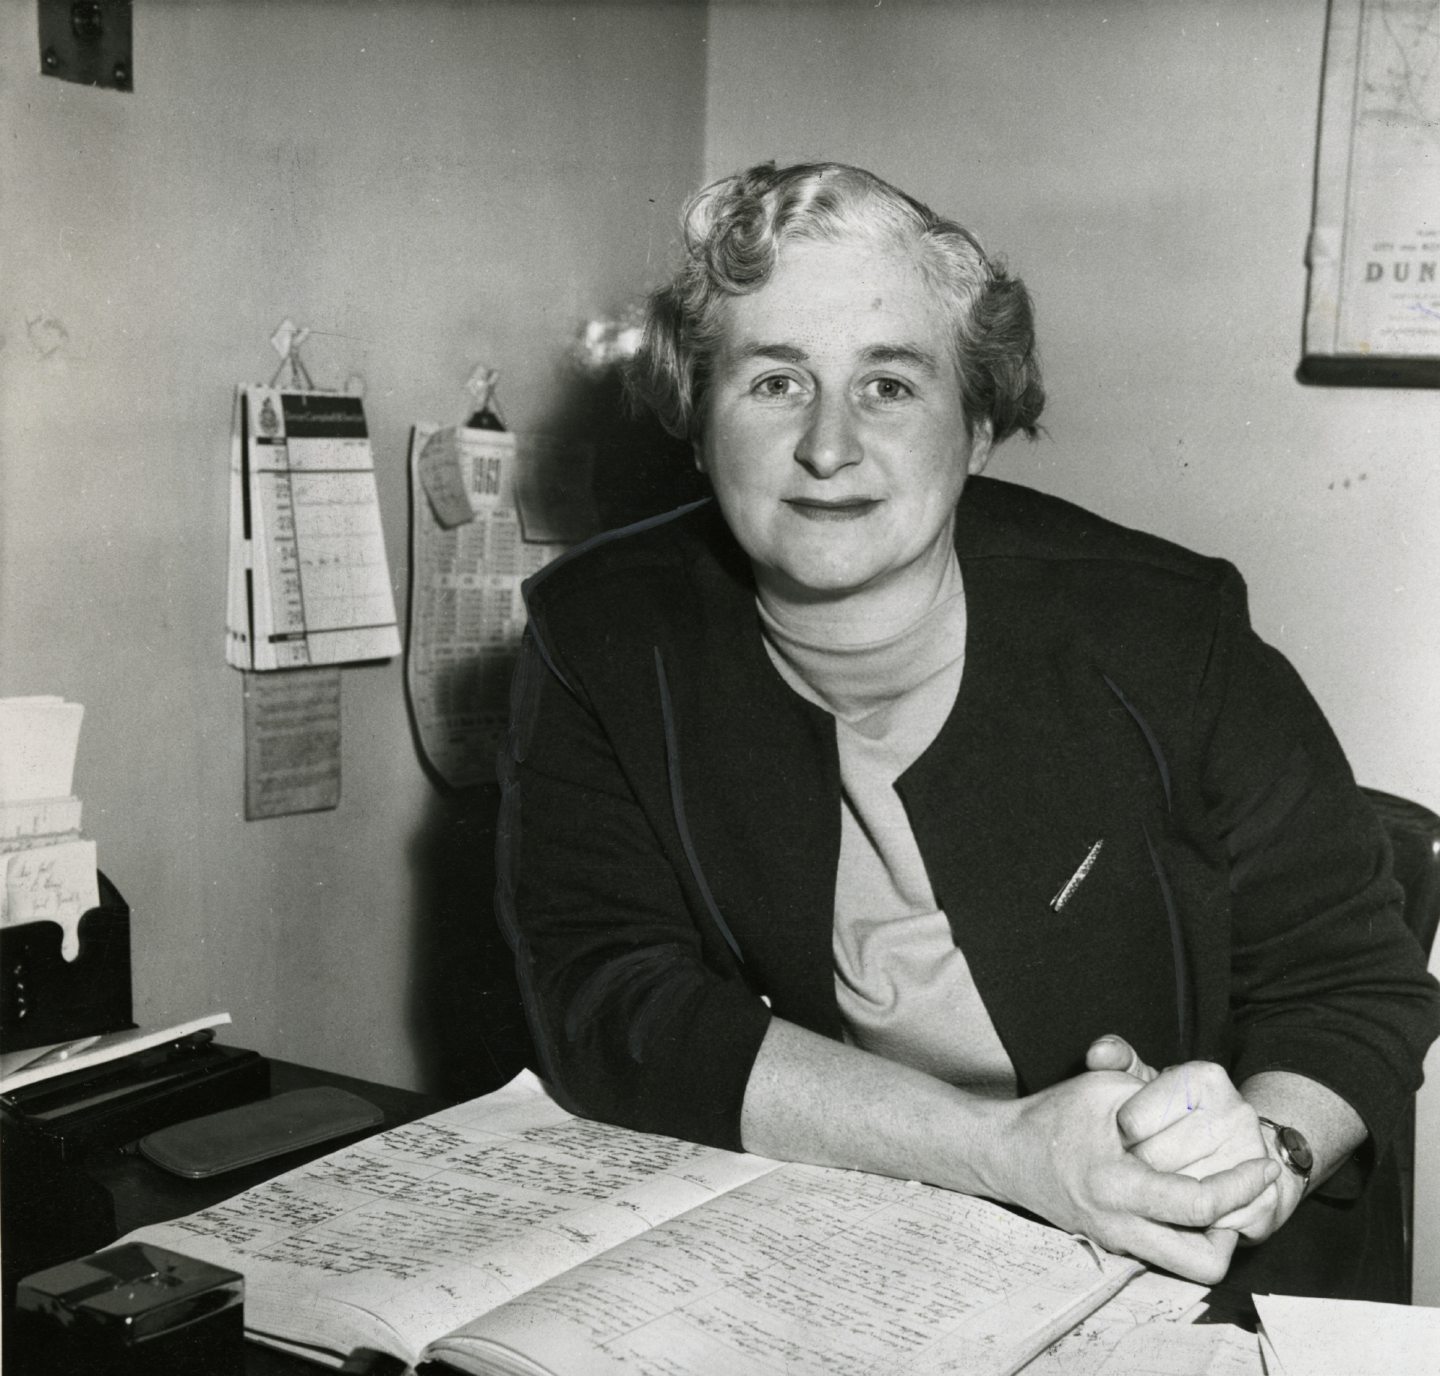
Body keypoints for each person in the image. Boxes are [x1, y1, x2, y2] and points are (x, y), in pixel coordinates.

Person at [496, 161, 1439, 1297]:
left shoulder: (1166, 629)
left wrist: (1265, 1154)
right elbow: (611, 999)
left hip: (1178, 1274)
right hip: (835, 1243)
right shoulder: (601, 634)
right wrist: (996, 1148)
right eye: (775, 381)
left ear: (979, 424)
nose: (830, 445)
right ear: (698, 424)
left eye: (890, 385)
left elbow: (1357, 984)